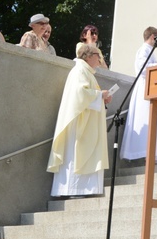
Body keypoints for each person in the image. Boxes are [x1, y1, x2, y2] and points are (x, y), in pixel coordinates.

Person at [47, 44, 113, 197]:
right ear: (88, 56)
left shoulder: (87, 72)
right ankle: (74, 190)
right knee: (76, 154)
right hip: (79, 125)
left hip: (86, 122)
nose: (100, 59)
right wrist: (99, 95)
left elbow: (86, 95)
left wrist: (101, 98)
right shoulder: (79, 70)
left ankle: (84, 189)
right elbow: (79, 94)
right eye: (98, 55)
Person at [121, 27, 157, 163]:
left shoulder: (149, 51)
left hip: (150, 88)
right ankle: (140, 153)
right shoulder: (144, 49)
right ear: (153, 36)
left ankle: (148, 153)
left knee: (150, 119)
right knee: (144, 119)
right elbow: (143, 68)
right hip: (144, 89)